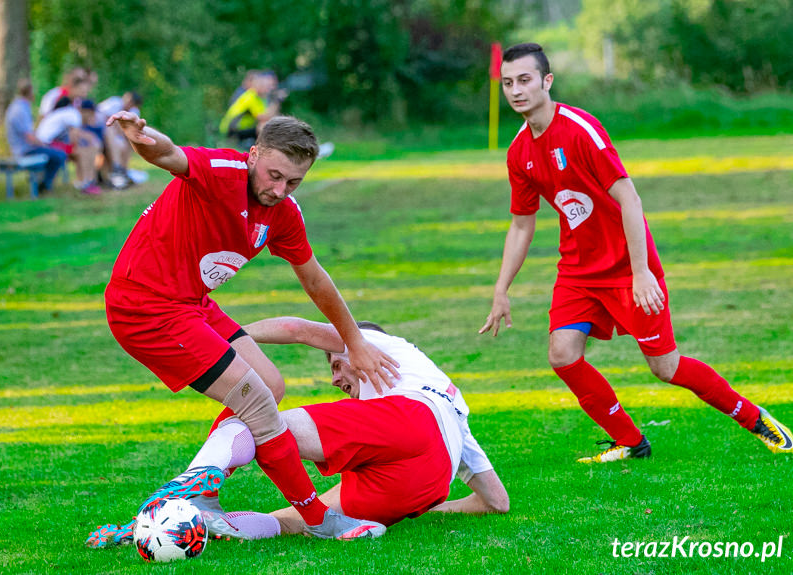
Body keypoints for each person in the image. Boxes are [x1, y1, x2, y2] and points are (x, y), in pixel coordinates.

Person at [480, 42, 793, 463]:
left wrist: (641, 271)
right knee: (562, 354)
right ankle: (630, 442)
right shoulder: (519, 151)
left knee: (665, 368)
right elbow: (521, 222)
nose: (516, 90)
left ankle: (755, 418)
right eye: (508, 83)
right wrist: (502, 289)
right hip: (578, 271)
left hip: (629, 267)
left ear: (546, 81)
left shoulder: (580, 130)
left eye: (524, 80)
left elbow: (630, 198)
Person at [98, 110, 400, 541]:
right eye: (273, 175)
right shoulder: (222, 171)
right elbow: (168, 154)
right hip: (145, 307)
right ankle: (317, 518)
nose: (278, 190)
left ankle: (190, 497)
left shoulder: (284, 213)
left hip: (191, 303)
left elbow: (315, 279)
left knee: (271, 384)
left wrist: (355, 342)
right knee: (258, 401)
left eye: (293, 182)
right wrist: (141, 135)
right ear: (253, 154)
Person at [86, 318, 508, 545]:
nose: (336, 377)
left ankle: (192, 490)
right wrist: (430, 508)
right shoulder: (457, 404)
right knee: (295, 522)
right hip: (426, 483)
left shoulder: (379, 344)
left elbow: (297, 330)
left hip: (411, 423)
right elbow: (496, 502)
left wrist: (230, 336)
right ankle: (176, 527)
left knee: (260, 416)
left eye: (337, 363)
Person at [3, 78, 67, 194]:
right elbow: (29, 137)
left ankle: (42, 182)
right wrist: (44, 145)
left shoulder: (20, 106)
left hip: (25, 147)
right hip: (24, 150)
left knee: (55, 152)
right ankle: (44, 186)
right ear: (29, 92)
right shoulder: (20, 109)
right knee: (59, 155)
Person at [35, 97, 102, 195]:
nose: (92, 116)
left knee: (85, 150)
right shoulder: (75, 115)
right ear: (85, 111)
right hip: (46, 145)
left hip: (45, 143)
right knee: (83, 152)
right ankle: (87, 184)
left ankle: (86, 182)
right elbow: (73, 140)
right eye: (91, 113)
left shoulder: (69, 112)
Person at [219, 71, 287, 150]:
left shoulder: (260, 98)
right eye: (264, 85)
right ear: (256, 85)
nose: (268, 88)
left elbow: (271, 116)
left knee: (270, 125)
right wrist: (277, 100)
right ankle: (264, 151)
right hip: (232, 131)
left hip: (242, 129)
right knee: (263, 126)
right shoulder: (250, 96)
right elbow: (264, 117)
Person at [96, 91, 144, 188]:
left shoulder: (133, 111)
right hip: (99, 130)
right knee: (111, 131)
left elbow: (131, 129)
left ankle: (122, 171)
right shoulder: (115, 102)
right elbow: (107, 121)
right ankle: (116, 168)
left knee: (128, 141)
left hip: (116, 136)